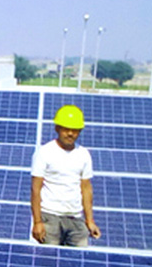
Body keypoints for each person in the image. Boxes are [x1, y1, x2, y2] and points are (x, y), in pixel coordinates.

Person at [31, 105, 102, 247]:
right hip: (50, 216)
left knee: (78, 258)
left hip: (75, 218)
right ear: (57, 128)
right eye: (66, 129)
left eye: (75, 130)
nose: (70, 133)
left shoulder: (84, 154)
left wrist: (89, 221)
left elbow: (86, 189)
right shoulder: (45, 152)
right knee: (48, 258)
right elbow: (35, 189)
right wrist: (37, 222)